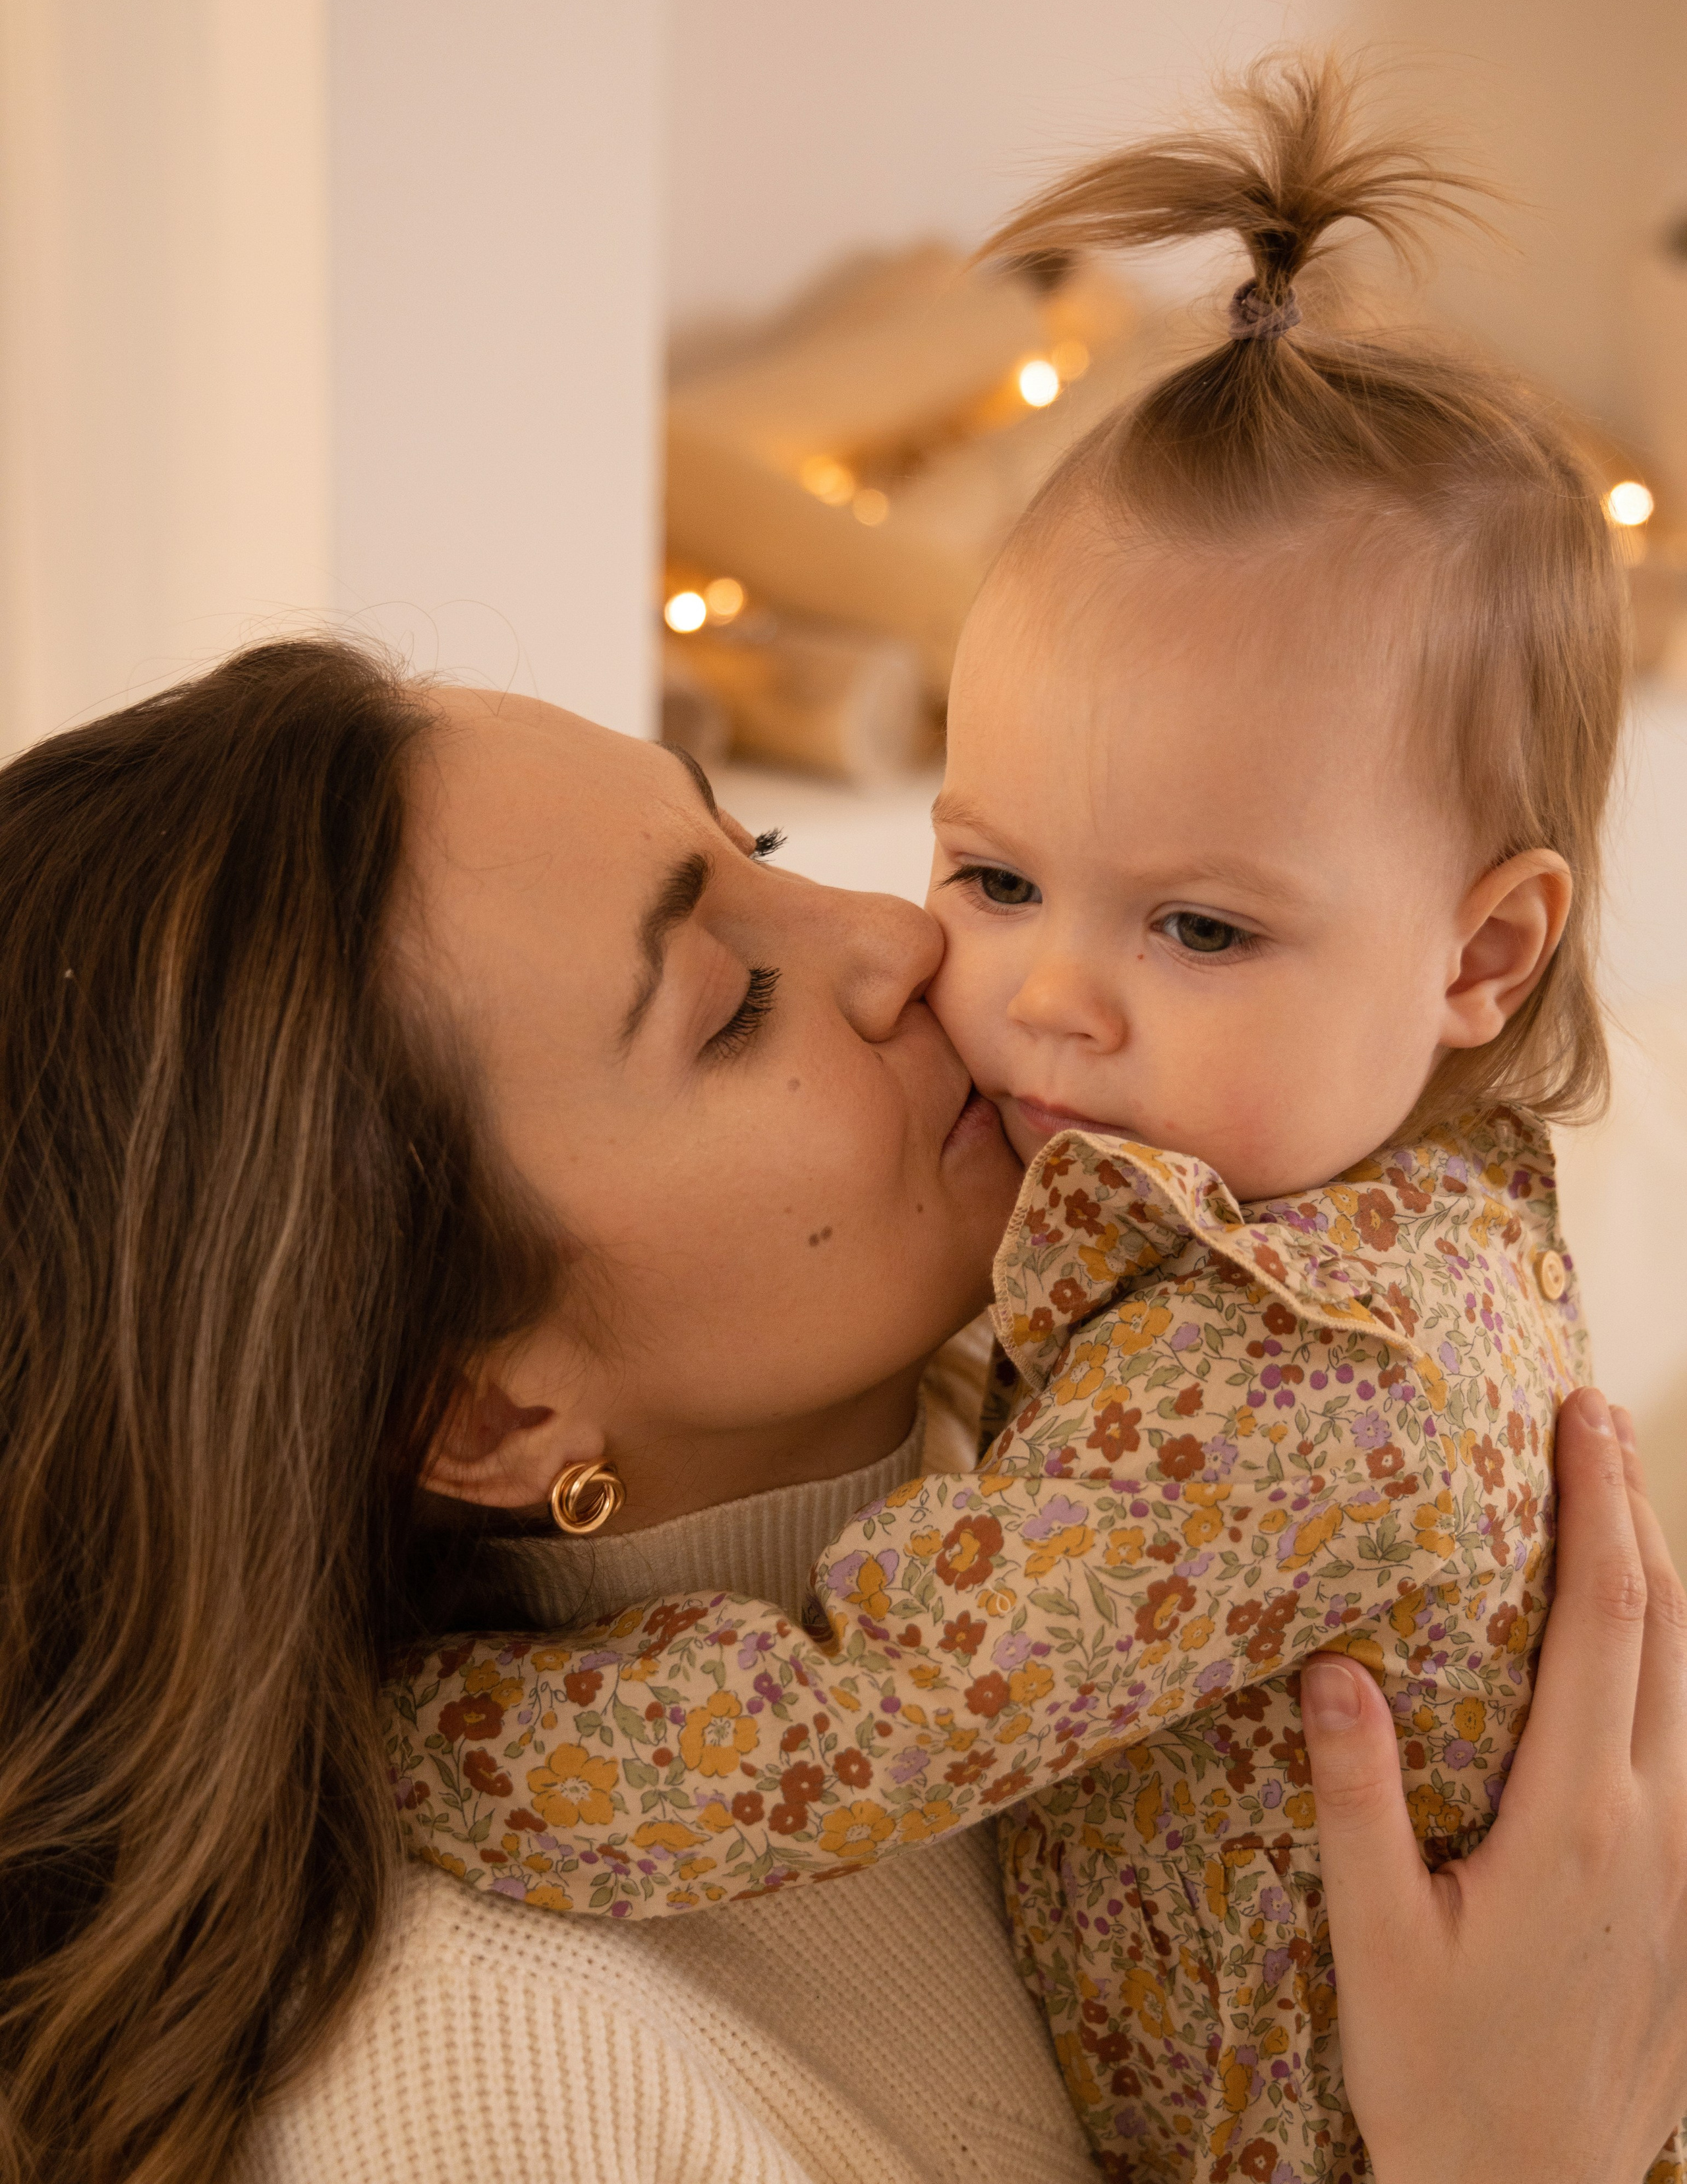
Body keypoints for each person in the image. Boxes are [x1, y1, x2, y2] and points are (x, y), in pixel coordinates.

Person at [390, 54, 1650, 2181]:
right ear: (490, 1412)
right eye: (992, 876)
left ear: (1482, 958)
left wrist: (406, 1737)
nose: (1010, 990)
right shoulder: (503, 2074)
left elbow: (853, 1711)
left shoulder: (1292, 1379)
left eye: (1198, 925)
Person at [3, 642, 1684, 2184]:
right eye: (728, 1004)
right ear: (483, 1416)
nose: (901, 941)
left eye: (770, 853)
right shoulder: (500, 2096)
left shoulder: (1150, 1419)